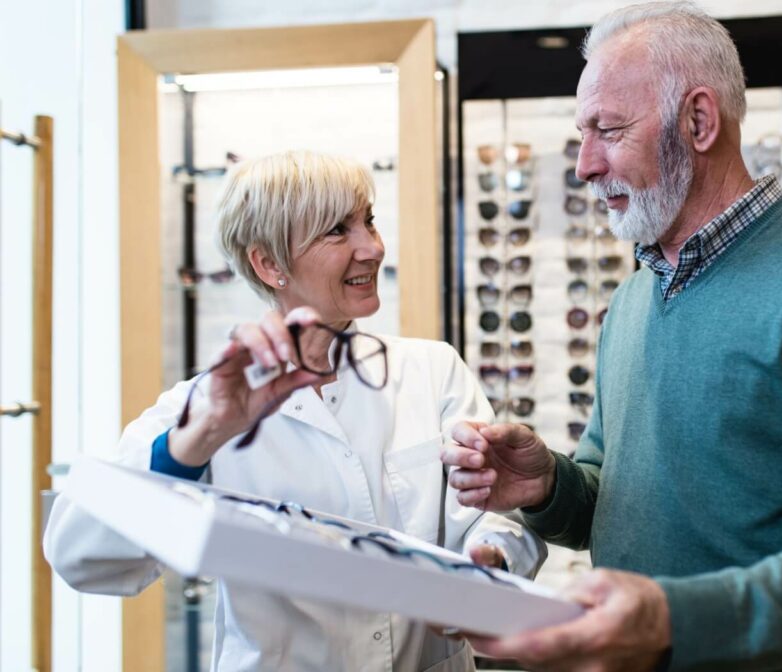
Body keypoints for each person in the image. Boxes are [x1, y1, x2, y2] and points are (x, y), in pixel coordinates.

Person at [441, 3, 782, 671]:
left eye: (608, 129)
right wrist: (547, 487)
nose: (585, 165)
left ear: (699, 120)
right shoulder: (631, 299)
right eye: (581, 133)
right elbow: (613, 493)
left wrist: (673, 620)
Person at [44, 150, 545, 672]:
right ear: (269, 264)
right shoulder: (202, 406)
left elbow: (495, 514)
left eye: (368, 221)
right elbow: (81, 554)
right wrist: (198, 439)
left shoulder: (432, 370)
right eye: (337, 230)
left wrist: (490, 562)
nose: (371, 247)